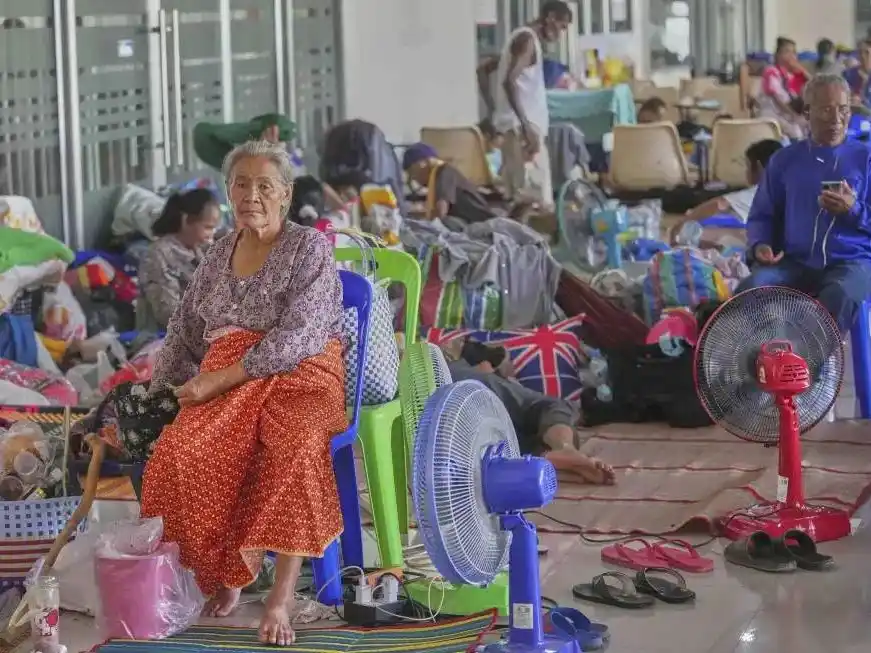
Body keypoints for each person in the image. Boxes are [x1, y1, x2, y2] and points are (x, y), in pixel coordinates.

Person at [140, 140, 348, 646]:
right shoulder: (219, 251)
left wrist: (223, 377)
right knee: (180, 451)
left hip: (303, 372)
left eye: (264, 185)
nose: (251, 195)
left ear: (285, 193)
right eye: (241, 183)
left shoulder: (309, 248)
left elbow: (299, 334)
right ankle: (228, 572)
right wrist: (159, 393)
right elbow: (187, 327)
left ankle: (280, 594)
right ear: (228, 190)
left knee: (293, 443)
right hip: (227, 375)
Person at [737, 74, 871, 335]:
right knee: (751, 289)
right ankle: (768, 364)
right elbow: (762, 216)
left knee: (840, 295)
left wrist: (853, 209)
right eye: (826, 110)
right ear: (807, 112)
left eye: (843, 110)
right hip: (795, 262)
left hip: (852, 262)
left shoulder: (865, 159)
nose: (836, 119)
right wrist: (761, 245)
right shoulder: (784, 161)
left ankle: (806, 369)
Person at [444, 339, 615, 485]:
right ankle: (564, 450)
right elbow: (484, 361)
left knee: (515, 436)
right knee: (550, 406)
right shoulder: (471, 363)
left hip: (449, 434)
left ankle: (547, 462)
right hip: (456, 385)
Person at [488, 0, 573, 208]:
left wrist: (494, 111)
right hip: (523, 132)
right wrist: (525, 126)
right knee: (537, 202)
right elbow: (509, 81)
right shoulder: (527, 40)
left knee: (522, 199)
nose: (559, 34)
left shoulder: (521, 39)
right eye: (561, 27)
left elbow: (484, 70)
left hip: (517, 128)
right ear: (550, 17)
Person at [136, 189, 220, 332]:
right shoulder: (159, 255)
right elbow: (168, 314)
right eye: (207, 227)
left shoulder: (201, 250)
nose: (211, 235)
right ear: (186, 220)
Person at [670, 139, 783, 242]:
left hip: (763, 247)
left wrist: (682, 223)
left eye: (747, 166)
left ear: (758, 167)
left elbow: (719, 204)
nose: (746, 172)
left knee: (706, 235)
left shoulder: (759, 191)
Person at [403, 142, 497, 223]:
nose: (413, 179)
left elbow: (440, 213)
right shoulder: (441, 175)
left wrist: (413, 215)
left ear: (422, 164)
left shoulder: (444, 172)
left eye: (412, 172)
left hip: (481, 222)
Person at [757, 37, 809, 140]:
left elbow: (812, 87)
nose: (791, 56)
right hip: (773, 113)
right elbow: (778, 100)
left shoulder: (790, 75)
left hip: (787, 113)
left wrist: (802, 71)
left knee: (810, 127)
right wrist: (794, 116)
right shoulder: (771, 71)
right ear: (778, 55)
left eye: (794, 52)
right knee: (797, 132)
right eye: (787, 52)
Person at [844, 39, 871, 109]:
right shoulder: (848, 74)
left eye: (866, 52)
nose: (862, 56)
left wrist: (863, 101)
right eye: (860, 52)